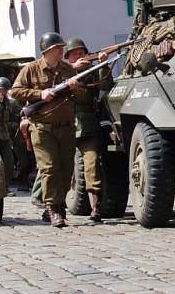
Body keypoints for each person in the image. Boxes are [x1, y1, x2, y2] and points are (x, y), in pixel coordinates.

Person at [10, 32, 82, 228]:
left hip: (66, 127)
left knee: (66, 170)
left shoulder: (67, 69)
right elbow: (15, 91)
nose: (62, 51)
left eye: (62, 48)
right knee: (49, 169)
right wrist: (39, 93)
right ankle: (53, 208)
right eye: (58, 48)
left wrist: (75, 88)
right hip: (42, 127)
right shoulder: (31, 69)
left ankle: (57, 203)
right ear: (47, 51)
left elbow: (81, 95)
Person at [65, 38, 113, 223]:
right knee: (58, 168)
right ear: (68, 56)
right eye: (75, 53)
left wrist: (103, 64)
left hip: (89, 125)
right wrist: (73, 69)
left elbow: (105, 85)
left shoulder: (91, 74)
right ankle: (49, 205)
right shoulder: (62, 72)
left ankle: (96, 208)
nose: (80, 55)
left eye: (81, 52)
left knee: (92, 165)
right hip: (66, 124)